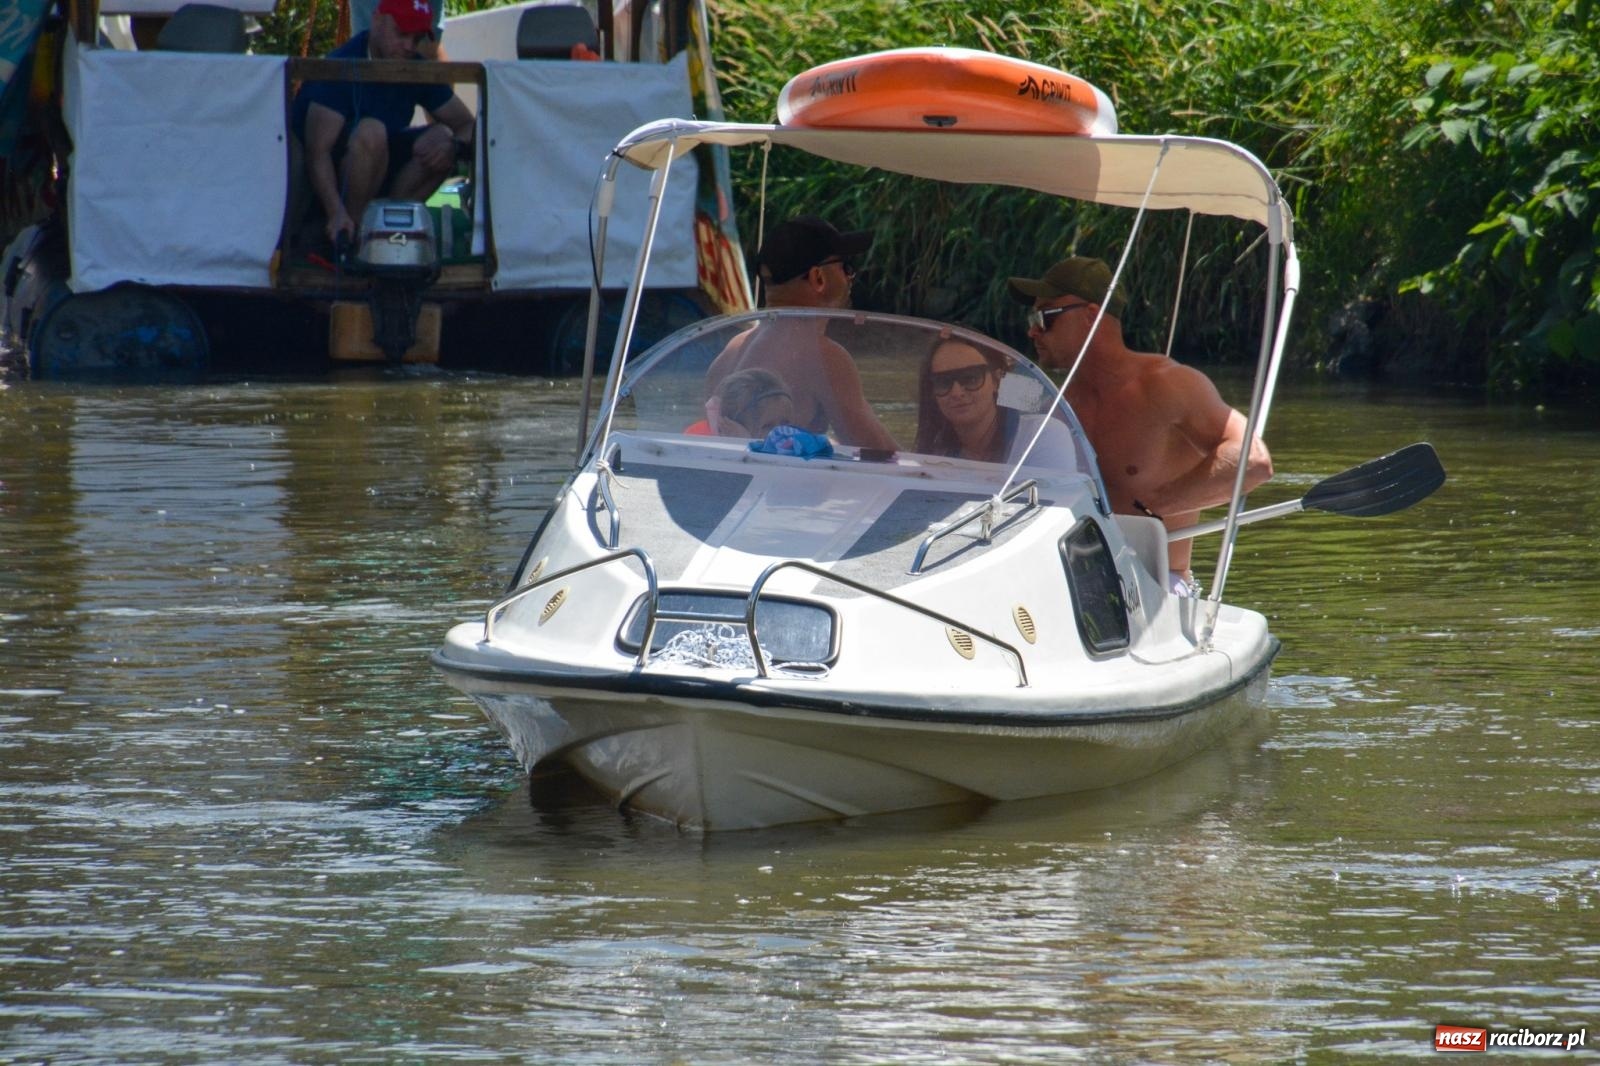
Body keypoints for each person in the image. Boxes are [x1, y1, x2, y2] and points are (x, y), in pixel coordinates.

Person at [1009, 255, 1273, 596]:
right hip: (1073, 579)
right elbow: (980, 400)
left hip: (1158, 585)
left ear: (1091, 316)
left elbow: (1254, 462)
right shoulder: (1053, 395)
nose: (1032, 330)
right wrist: (950, 359)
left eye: (1043, 317)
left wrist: (1155, 506)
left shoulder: (1167, 384)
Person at [291, 0, 475, 251]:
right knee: (371, 133)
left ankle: (385, 228)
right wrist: (335, 212)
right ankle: (349, 235)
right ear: (377, 20)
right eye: (401, 34)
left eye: (417, 37)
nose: (409, 46)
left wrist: (454, 147)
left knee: (442, 137)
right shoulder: (340, 65)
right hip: (325, 189)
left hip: (379, 170)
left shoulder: (415, 66)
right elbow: (316, 154)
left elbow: (467, 125)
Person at [704, 215, 898, 452]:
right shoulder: (822, 357)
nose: (850, 277)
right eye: (846, 267)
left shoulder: (733, 348)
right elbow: (882, 455)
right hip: (777, 487)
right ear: (818, 278)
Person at [914, 337, 1083, 469]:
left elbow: (1053, 506)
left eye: (971, 378)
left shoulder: (1042, 435)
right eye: (943, 382)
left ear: (996, 381)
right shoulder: (936, 451)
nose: (957, 392)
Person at [686, 367, 796, 439]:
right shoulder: (701, 446)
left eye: (785, 424)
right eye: (767, 426)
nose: (782, 433)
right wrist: (742, 444)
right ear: (729, 428)